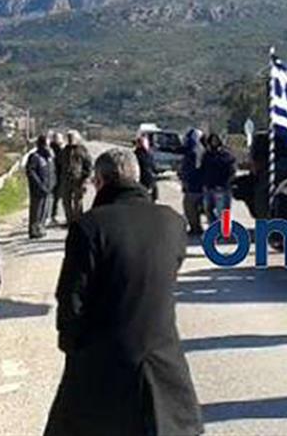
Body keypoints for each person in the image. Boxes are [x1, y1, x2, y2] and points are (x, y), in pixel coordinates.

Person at [45, 149, 203, 436]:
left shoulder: (89, 226)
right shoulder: (173, 222)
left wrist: (71, 343)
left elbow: (71, 296)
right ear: (137, 177)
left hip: (101, 356)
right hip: (161, 355)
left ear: (100, 181)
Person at [58, 130, 93, 225]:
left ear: (77, 138)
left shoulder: (82, 150)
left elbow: (88, 164)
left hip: (78, 180)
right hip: (65, 179)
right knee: (66, 201)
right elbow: (59, 164)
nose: (70, 139)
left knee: (78, 202)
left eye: (72, 137)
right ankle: (69, 221)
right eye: (68, 137)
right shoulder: (64, 150)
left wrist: (85, 178)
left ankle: (78, 221)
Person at [201, 133, 236, 224]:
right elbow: (202, 169)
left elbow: (232, 170)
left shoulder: (225, 155)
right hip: (209, 187)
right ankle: (213, 228)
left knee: (223, 212)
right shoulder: (207, 155)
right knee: (208, 210)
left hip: (222, 187)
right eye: (212, 140)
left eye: (216, 140)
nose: (214, 142)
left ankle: (226, 230)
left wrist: (226, 182)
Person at [26, 135, 56, 239]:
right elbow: (31, 172)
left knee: (45, 210)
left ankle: (41, 227)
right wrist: (40, 186)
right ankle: (34, 230)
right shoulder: (35, 157)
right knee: (36, 210)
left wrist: (53, 184)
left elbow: (53, 172)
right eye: (45, 145)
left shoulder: (49, 157)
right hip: (38, 190)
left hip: (48, 188)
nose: (47, 147)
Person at [178, 128, 206, 235]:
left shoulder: (196, 152)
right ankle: (196, 228)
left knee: (191, 208)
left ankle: (196, 228)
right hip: (196, 186)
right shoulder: (196, 151)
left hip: (195, 187)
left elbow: (193, 169)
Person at [135, 133, 159, 203]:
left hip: (141, 180)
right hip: (149, 179)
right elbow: (154, 167)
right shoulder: (149, 154)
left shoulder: (135, 154)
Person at [49, 131, 65, 225]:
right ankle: (53, 215)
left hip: (51, 176)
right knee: (56, 197)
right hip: (57, 176)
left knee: (53, 197)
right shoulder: (59, 151)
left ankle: (51, 215)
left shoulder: (50, 149)